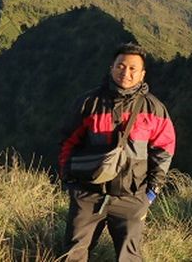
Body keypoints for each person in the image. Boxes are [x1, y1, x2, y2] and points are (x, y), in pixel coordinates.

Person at [58, 43, 175, 261]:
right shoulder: (89, 103)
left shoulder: (154, 109)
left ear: (142, 74)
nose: (126, 73)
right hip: (88, 193)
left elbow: (164, 149)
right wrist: (70, 181)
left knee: (128, 256)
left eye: (133, 69)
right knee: (74, 252)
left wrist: (151, 193)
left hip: (131, 196)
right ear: (111, 67)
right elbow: (68, 141)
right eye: (121, 66)